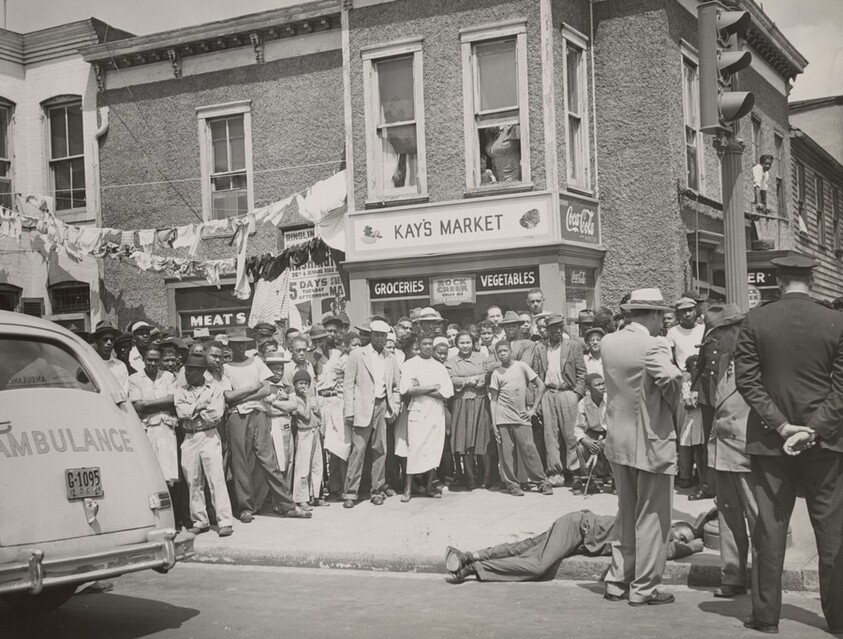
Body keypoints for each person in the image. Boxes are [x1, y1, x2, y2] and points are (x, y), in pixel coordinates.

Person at [734, 254, 843, 635]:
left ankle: (766, 617)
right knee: (832, 533)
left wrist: (782, 426)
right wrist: (813, 429)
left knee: (770, 529)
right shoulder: (835, 320)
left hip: (770, 442)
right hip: (826, 444)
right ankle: (838, 619)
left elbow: (747, 382)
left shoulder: (756, 320)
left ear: (778, 281)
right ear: (811, 280)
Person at [602, 288, 683, 607]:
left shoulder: (609, 342)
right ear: (652, 314)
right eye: (662, 315)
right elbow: (670, 379)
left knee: (626, 512)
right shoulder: (653, 344)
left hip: (618, 439)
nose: (664, 322)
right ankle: (644, 587)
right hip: (650, 440)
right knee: (652, 516)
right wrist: (671, 404)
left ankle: (617, 581)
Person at [444, 511, 704, 584]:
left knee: (525, 548)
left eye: (683, 540)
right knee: (538, 566)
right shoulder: (654, 530)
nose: (678, 541)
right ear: (672, 528)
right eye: (680, 536)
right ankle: (476, 569)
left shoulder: (655, 532)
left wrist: (688, 543)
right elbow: (665, 551)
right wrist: (692, 547)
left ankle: (468, 556)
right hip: (578, 527)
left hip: (578, 534)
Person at [223, 336, 309, 521]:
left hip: (259, 414)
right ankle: (246, 508)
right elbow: (228, 396)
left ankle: (287, 506)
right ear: (230, 346)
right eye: (236, 344)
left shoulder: (257, 363)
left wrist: (242, 396)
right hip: (237, 416)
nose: (240, 347)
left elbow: (265, 390)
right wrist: (251, 389)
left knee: (269, 461)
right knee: (241, 464)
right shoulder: (226, 368)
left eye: (243, 343)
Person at [705, 304, 757, 599]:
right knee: (728, 516)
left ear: (735, 330)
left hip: (748, 449)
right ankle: (733, 575)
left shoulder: (757, 358)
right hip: (724, 450)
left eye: (717, 335)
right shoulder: (725, 360)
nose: (714, 341)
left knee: (758, 518)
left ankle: (763, 578)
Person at [342, 319, 401, 508]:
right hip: (362, 407)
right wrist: (349, 411)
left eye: (383, 335)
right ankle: (350, 492)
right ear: (371, 335)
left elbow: (396, 386)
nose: (380, 339)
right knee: (358, 450)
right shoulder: (357, 355)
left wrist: (395, 408)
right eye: (377, 335)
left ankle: (377, 490)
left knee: (380, 450)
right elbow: (348, 385)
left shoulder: (390, 357)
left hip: (382, 405)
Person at [174, 352, 234, 537]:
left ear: (201, 372)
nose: (187, 374)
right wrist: (200, 406)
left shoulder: (215, 388)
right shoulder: (181, 390)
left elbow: (216, 414)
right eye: (186, 370)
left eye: (191, 370)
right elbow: (181, 412)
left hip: (209, 434)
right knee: (193, 480)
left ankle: (225, 521)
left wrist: (192, 410)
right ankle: (200, 520)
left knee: (216, 478)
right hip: (189, 436)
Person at [489, 340, 553, 497]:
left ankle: (542, 482)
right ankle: (512, 484)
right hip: (503, 417)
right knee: (507, 454)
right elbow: (494, 400)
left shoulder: (521, 366)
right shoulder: (496, 373)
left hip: (521, 416)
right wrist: (495, 424)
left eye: (505, 350)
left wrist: (533, 409)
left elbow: (541, 385)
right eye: (499, 352)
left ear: (511, 351)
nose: (502, 354)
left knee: (529, 449)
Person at [397, 334, 454, 501]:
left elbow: (447, 392)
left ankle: (429, 486)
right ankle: (408, 488)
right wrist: (432, 387)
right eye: (424, 344)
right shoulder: (409, 365)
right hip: (417, 410)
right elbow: (407, 390)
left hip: (436, 411)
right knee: (414, 449)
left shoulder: (439, 366)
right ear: (418, 345)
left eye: (430, 344)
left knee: (433, 449)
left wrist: (421, 388)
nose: (428, 347)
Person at [534, 314, 587, 484]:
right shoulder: (540, 348)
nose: (558, 331)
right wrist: (538, 400)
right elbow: (536, 376)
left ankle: (575, 471)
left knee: (571, 434)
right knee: (551, 436)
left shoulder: (573, 346)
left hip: (567, 392)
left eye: (560, 327)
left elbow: (582, 373)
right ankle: (555, 472)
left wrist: (576, 394)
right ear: (547, 329)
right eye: (554, 328)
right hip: (548, 394)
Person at [446, 331, 494, 491]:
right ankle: (470, 478)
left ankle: (486, 477)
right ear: (456, 344)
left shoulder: (482, 357)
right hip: (462, 404)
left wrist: (481, 379)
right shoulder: (451, 361)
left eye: (468, 342)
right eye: (462, 343)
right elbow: (450, 379)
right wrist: (467, 380)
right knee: (465, 442)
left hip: (481, 401)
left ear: (473, 343)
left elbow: (488, 373)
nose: (465, 346)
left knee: (483, 439)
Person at [129, 347, 178, 488]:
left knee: (168, 474)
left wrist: (147, 404)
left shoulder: (168, 376)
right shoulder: (135, 379)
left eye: (156, 360)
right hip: (147, 428)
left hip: (166, 428)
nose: (152, 363)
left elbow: (172, 400)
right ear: (143, 359)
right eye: (149, 360)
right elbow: (138, 406)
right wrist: (162, 404)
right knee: (151, 472)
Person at [288, 369, 326, 509]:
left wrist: (315, 407)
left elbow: (318, 415)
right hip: (303, 433)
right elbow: (306, 416)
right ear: (295, 385)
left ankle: (315, 495)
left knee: (316, 465)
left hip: (314, 431)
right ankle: (301, 498)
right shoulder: (294, 398)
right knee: (302, 466)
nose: (303, 386)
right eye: (300, 383)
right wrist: (308, 399)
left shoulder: (312, 397)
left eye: (306, 383)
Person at [572, 373, 611, 494]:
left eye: (602, 383)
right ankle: (591, 479)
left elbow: (618, 424)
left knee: (618, 444)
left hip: (610, 434)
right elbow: (578, 427)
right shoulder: (583, 403)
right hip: (592, 434)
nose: (602, 387)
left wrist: (608, 439)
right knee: (581, 448)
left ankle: (614, 478)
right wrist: (585, 440)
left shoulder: (610, 400)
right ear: (588, 389)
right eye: (597, 385)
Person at [676, 354, 705, 491]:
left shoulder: (703, 381)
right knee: (685, 449)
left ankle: (701, 478)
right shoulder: (686, 383)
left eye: (697, 367)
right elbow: (688, 402)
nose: (694, 371)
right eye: (691, 368)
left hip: (701, 421)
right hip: (689, 420)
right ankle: (685, 476)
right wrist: (695, 403)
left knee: (700, 450)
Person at [90, 322, 129, 394]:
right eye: (105, 339)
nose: (109, 343)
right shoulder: (90, 364)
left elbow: (125, 392)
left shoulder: (120, 366)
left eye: (112, 339)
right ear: (97, 341)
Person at [666, 297, 704, 372]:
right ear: (678, 314)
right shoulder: (672, 332)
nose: (687, 314)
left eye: (690, 310)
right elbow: (670, 358)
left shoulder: (703, 329)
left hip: (702, 373)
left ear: (695, 311)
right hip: (683, 374)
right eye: (683, 311)